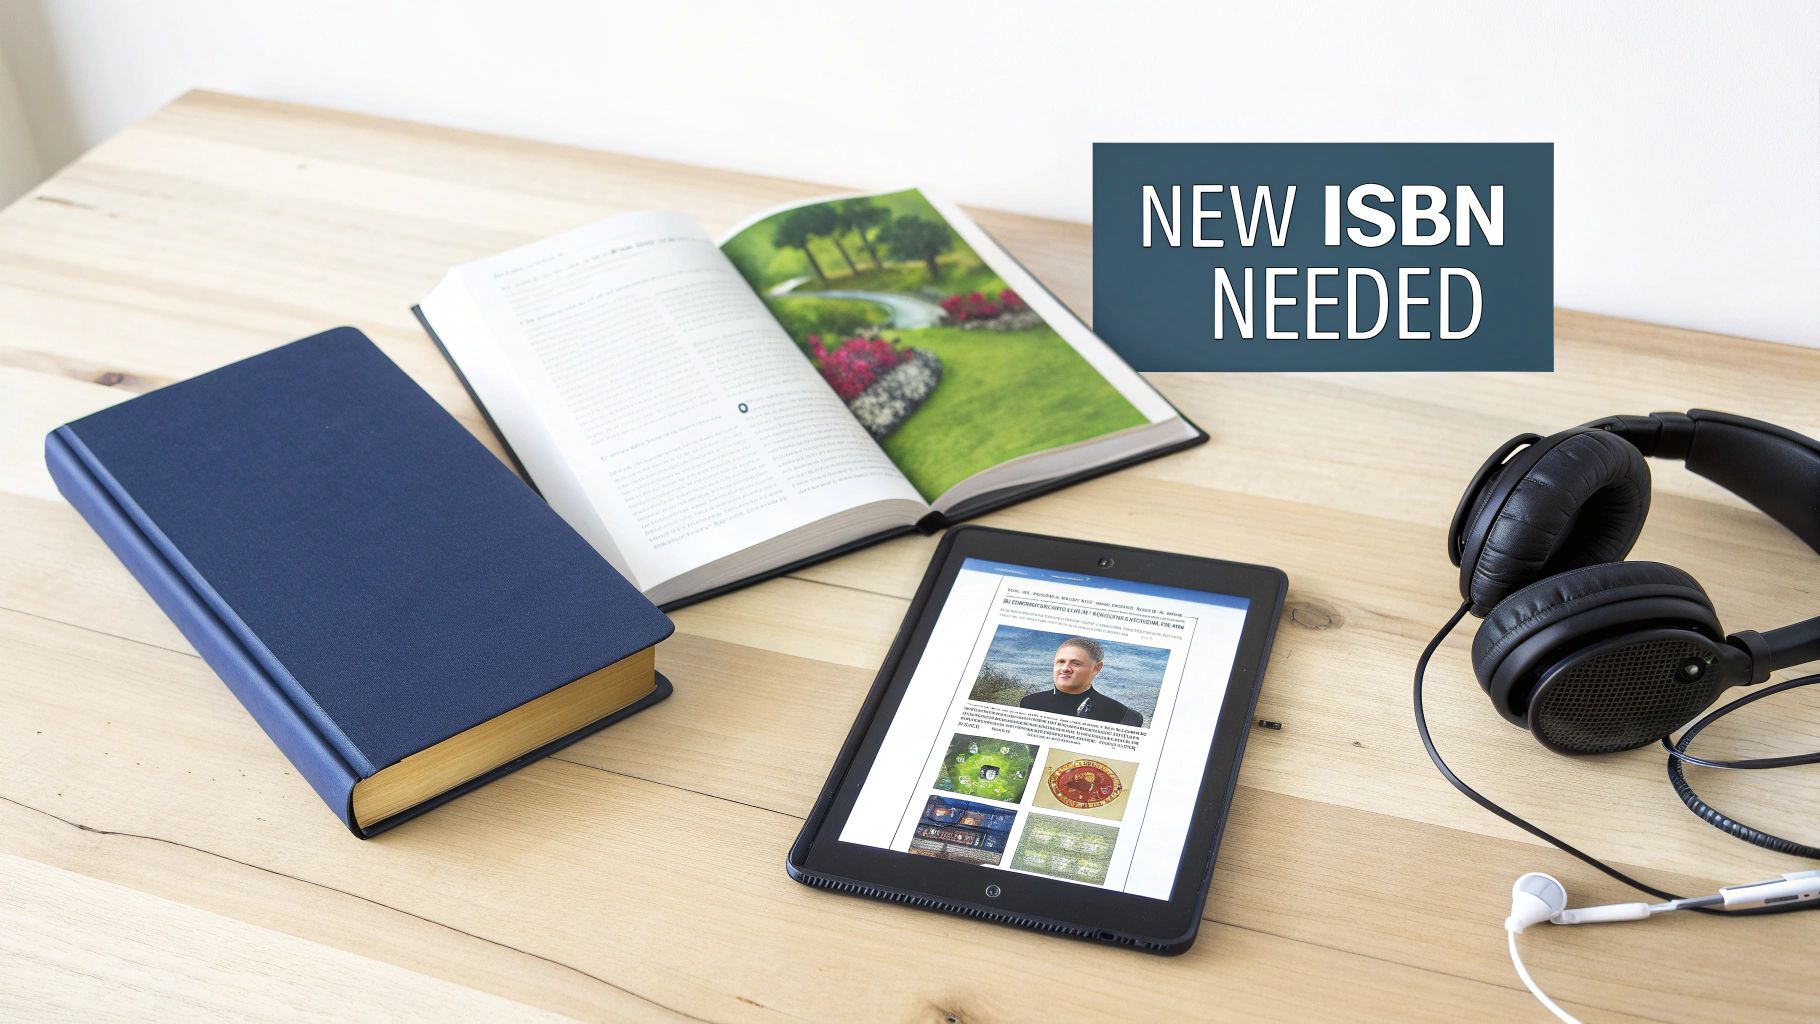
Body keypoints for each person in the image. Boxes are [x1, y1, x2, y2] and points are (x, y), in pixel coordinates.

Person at [1018, 637, 1142, 726]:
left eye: (1075, 663)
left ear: (1096, 668)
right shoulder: (1029, 704)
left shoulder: (1123, 716)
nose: (1065, 668)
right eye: (1061, 662)